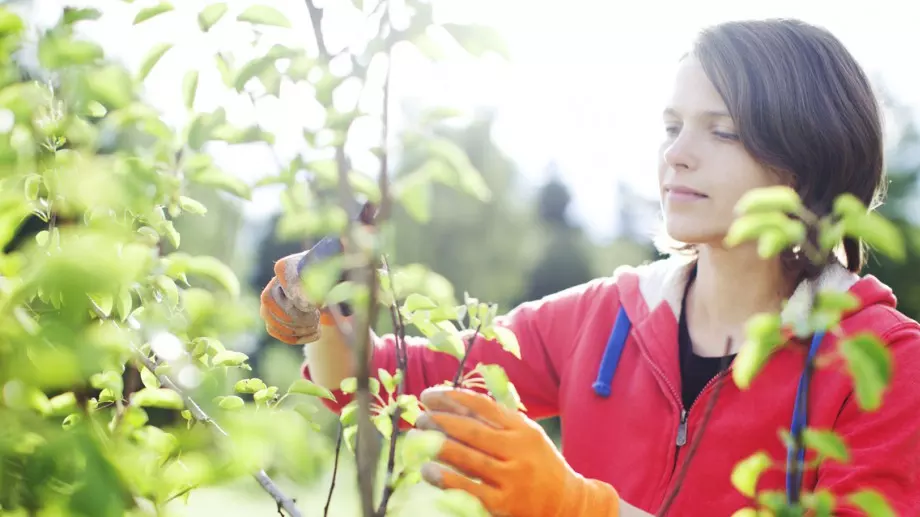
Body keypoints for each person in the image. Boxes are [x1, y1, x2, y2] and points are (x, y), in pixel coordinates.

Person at [259, 18, 920, 517]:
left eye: (721, 130)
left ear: (807, 153)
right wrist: (318, 314)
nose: (678, 155)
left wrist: (579, 506)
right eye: (671, 126)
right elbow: (406, 386)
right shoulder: (609, 315)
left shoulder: (886, 365)